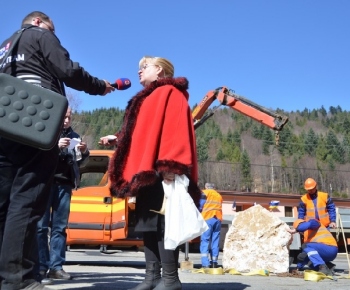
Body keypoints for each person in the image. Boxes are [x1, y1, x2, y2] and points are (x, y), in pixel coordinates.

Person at [0, 11, 114, 290]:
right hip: (34, 126)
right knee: (27, 202)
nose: (54, 32)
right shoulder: (39, 35)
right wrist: (101, 87)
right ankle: (19, 280)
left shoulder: (5, 46)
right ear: (39, 22)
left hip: (5, 127)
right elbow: (68, 70)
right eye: (53, 27)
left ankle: (6, 276)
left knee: (4, 205)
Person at [100, 56, 201, 290]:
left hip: (162, 171)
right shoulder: (146, 98)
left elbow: (175, 131)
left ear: (160, 70)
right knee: (148, 224)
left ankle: (170, 280)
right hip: (145, 172)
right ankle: (151, 278)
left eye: (144, 67)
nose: (139, 71)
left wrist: (171, 167)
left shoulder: (170, 92)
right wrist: (119, 138)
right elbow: (142, 133)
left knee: (165, 225)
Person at [36, 107, 89, 284]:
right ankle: (41, 266)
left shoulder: (75, 136)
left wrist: (84, 151)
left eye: (69, 117)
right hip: (45, 183)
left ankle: (56, 267)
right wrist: (55, 147)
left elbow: (80, 161)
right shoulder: (45, 130)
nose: (66, 120)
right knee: (41, 227)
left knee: (59, 228)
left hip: (64, 185)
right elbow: (36, 155)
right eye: (64, 117)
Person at [198, 183, 223, 268]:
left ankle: (205, 263)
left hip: (207, 218)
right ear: (214, 187)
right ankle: (214, 262)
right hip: (218, 219)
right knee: (215, 240)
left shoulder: (204, 193)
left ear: (206, 187)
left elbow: (200, 205)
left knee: (205, 240)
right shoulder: (218, 195)